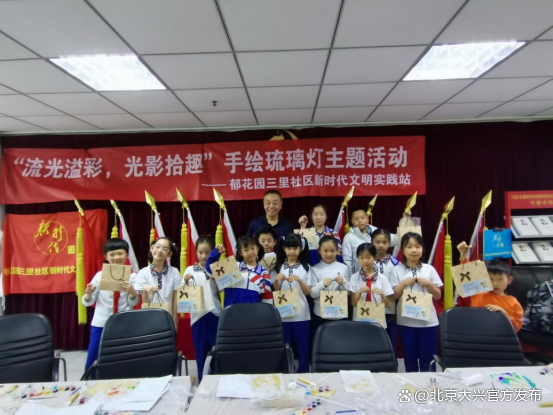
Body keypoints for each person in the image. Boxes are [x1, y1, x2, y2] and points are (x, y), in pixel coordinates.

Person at [82, 238, 139, 370]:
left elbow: (134, 301)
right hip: (101, 323)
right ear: (106, 257)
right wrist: (88, 294)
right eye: (112, 254)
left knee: (123, 356)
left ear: (126, 255)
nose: (116, 257)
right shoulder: (99, 276)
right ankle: (90, 379)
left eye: (120, 253)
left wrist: (131, 291)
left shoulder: (132, 277)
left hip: (124, 324)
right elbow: (88, 301)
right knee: (94, 355)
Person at [390, 233, 442, 372]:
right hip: (406, 322)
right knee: (410, 359)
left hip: (428, 322)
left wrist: (429, 284)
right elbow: (394, 296)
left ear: (422, 248)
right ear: (403, 250)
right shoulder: (397, 270)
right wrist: (403, 283)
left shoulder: (429, 269)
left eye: (417, 246)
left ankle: (430, 383)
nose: (414, 250)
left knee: (428, 359)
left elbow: (438, 296)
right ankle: (413, 385)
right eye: (409, 247)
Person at [457, 242, 523, 332]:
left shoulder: (513, 302)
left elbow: (517, 327)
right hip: (476, 333)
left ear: (509, 280)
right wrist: (463, 254)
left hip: (500, 337)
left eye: (500, 279)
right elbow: (466, 275)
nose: (495, 283)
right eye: (491, 279)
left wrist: (504, 314)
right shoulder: (479, 292)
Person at [183, 236, 222, 381]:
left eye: (207, 252)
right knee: (201, 351)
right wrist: (186, 282)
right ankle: (202, 381)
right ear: (196, 252)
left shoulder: (217, 267)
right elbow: (184, 294)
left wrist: (217, 279)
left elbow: (222, 290)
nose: (203, 256)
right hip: (198, 316)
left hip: (215, 313)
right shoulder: (189, 270)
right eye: (200, 252)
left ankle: (216, 380)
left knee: (216, 350)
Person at [273, 233, 312, 373]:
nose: (292, 252)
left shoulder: (306, 267)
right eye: (289, 248)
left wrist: (299, 280)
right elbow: (276, 291)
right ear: (284, 249)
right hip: (283, 313)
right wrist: (276, 280)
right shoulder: (278, 267)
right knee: (285, 347)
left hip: (302, 315)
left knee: (303, 347)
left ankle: (304, 372)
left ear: (300, 249)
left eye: (295, 248)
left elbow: (308, 292)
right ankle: (286, 372)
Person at [207, 236, 273, 307]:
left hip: (253, 313)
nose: (250, 252)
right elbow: (210, 273)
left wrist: (266, 312)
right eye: (246, 250)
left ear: (257, 248)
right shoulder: (233, 266)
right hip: (231, 312)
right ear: (240, 252)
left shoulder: (264, 273)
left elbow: (267, 298)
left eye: (252, 248)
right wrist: (214, 254)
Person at [136, 237, 182, 329]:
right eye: (157, 247)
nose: (160, 251)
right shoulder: (143, 272)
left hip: (167, 318)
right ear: (152, 248)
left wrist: (174, 320)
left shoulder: (174, 272)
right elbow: (143, 300)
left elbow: (176, 298)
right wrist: (145, 288)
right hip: (148, 318)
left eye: (165, 249)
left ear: (169, 254)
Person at [310, 236, 350, 338]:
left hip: (340, 313)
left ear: (337, 251)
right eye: (325, 251)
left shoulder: (344, 268)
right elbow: (313, 294)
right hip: (320, 315)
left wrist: (343, 282)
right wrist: (322, 284)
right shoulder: (314, 269)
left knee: (340, 342)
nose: (329, 254)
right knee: (322, 341)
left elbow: (349, 292)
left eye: (332, 251)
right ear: (319, 251)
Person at [342, 209, 399, 276]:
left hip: (379, 270)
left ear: (367, 219)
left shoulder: (376, 232)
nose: (360, 221)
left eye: (362, 218)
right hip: (358, 274)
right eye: (356, 219)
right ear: (351, 221)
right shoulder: (348, 237)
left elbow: (395, 240)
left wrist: (405, 221)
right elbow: (347, 261)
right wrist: (349, 279)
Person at [371, 228, 401, 354]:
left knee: (390, 338)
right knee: (372, 337)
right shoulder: (367, 261)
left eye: (384, 242)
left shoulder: (396, 263)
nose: (381, 245)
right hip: (371, 306)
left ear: (389, 243)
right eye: (377, 242)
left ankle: (390, 361)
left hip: (390, 306)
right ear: (372, 242)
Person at [349, 243, 394, 324]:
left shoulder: (382, 278)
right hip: (359, 320)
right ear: (358, 258)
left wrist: (382, 294)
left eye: (368, 257)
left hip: (377, 320)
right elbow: (353, 303)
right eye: (361, 257)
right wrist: (359, 292)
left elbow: (387, 305)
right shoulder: (354, 277)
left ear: (375, 257)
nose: (365, 261)